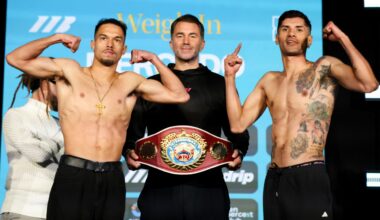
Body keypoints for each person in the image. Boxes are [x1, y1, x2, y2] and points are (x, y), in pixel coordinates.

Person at [5, 18, 189, 220]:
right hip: (73, 174)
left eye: (117, 40)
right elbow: (16, 59)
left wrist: (154, 59)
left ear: (123, 48)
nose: (110, 44)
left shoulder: (130, 81)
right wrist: (56, 38)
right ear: (93, 44)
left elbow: (179, 95)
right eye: (103, 38)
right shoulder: (69, 72)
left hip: (112, 177)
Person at [224, 10, 378, 220]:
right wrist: (230, 78)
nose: (291, 34)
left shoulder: (323, 68)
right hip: (275, 178)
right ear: (277, 38)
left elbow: (369, 83)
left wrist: (344, 39)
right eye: (285, 29)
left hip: (309, 176)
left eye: (299, 29)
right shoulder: (269, 80)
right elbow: (237, 124)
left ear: (310, 38)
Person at [125, 14, 249, 220]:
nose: (186, 41)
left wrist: (239, 152)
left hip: (208, 189)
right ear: (171, 42)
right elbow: (133, 133)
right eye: (180, 35)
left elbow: (238, 130)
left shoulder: (220, 84)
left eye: (193, 36)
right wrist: (128, 150)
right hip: (160, 189)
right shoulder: (151, 84)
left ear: (202, 43)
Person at [1, 73, 63, 220]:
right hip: (24, 210)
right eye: (63, 85)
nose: (66, 93)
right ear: (44, 83)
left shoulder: (60, 124)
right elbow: (38, 154)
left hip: (56, 211)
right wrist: (64, 135)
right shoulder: (16, 115)